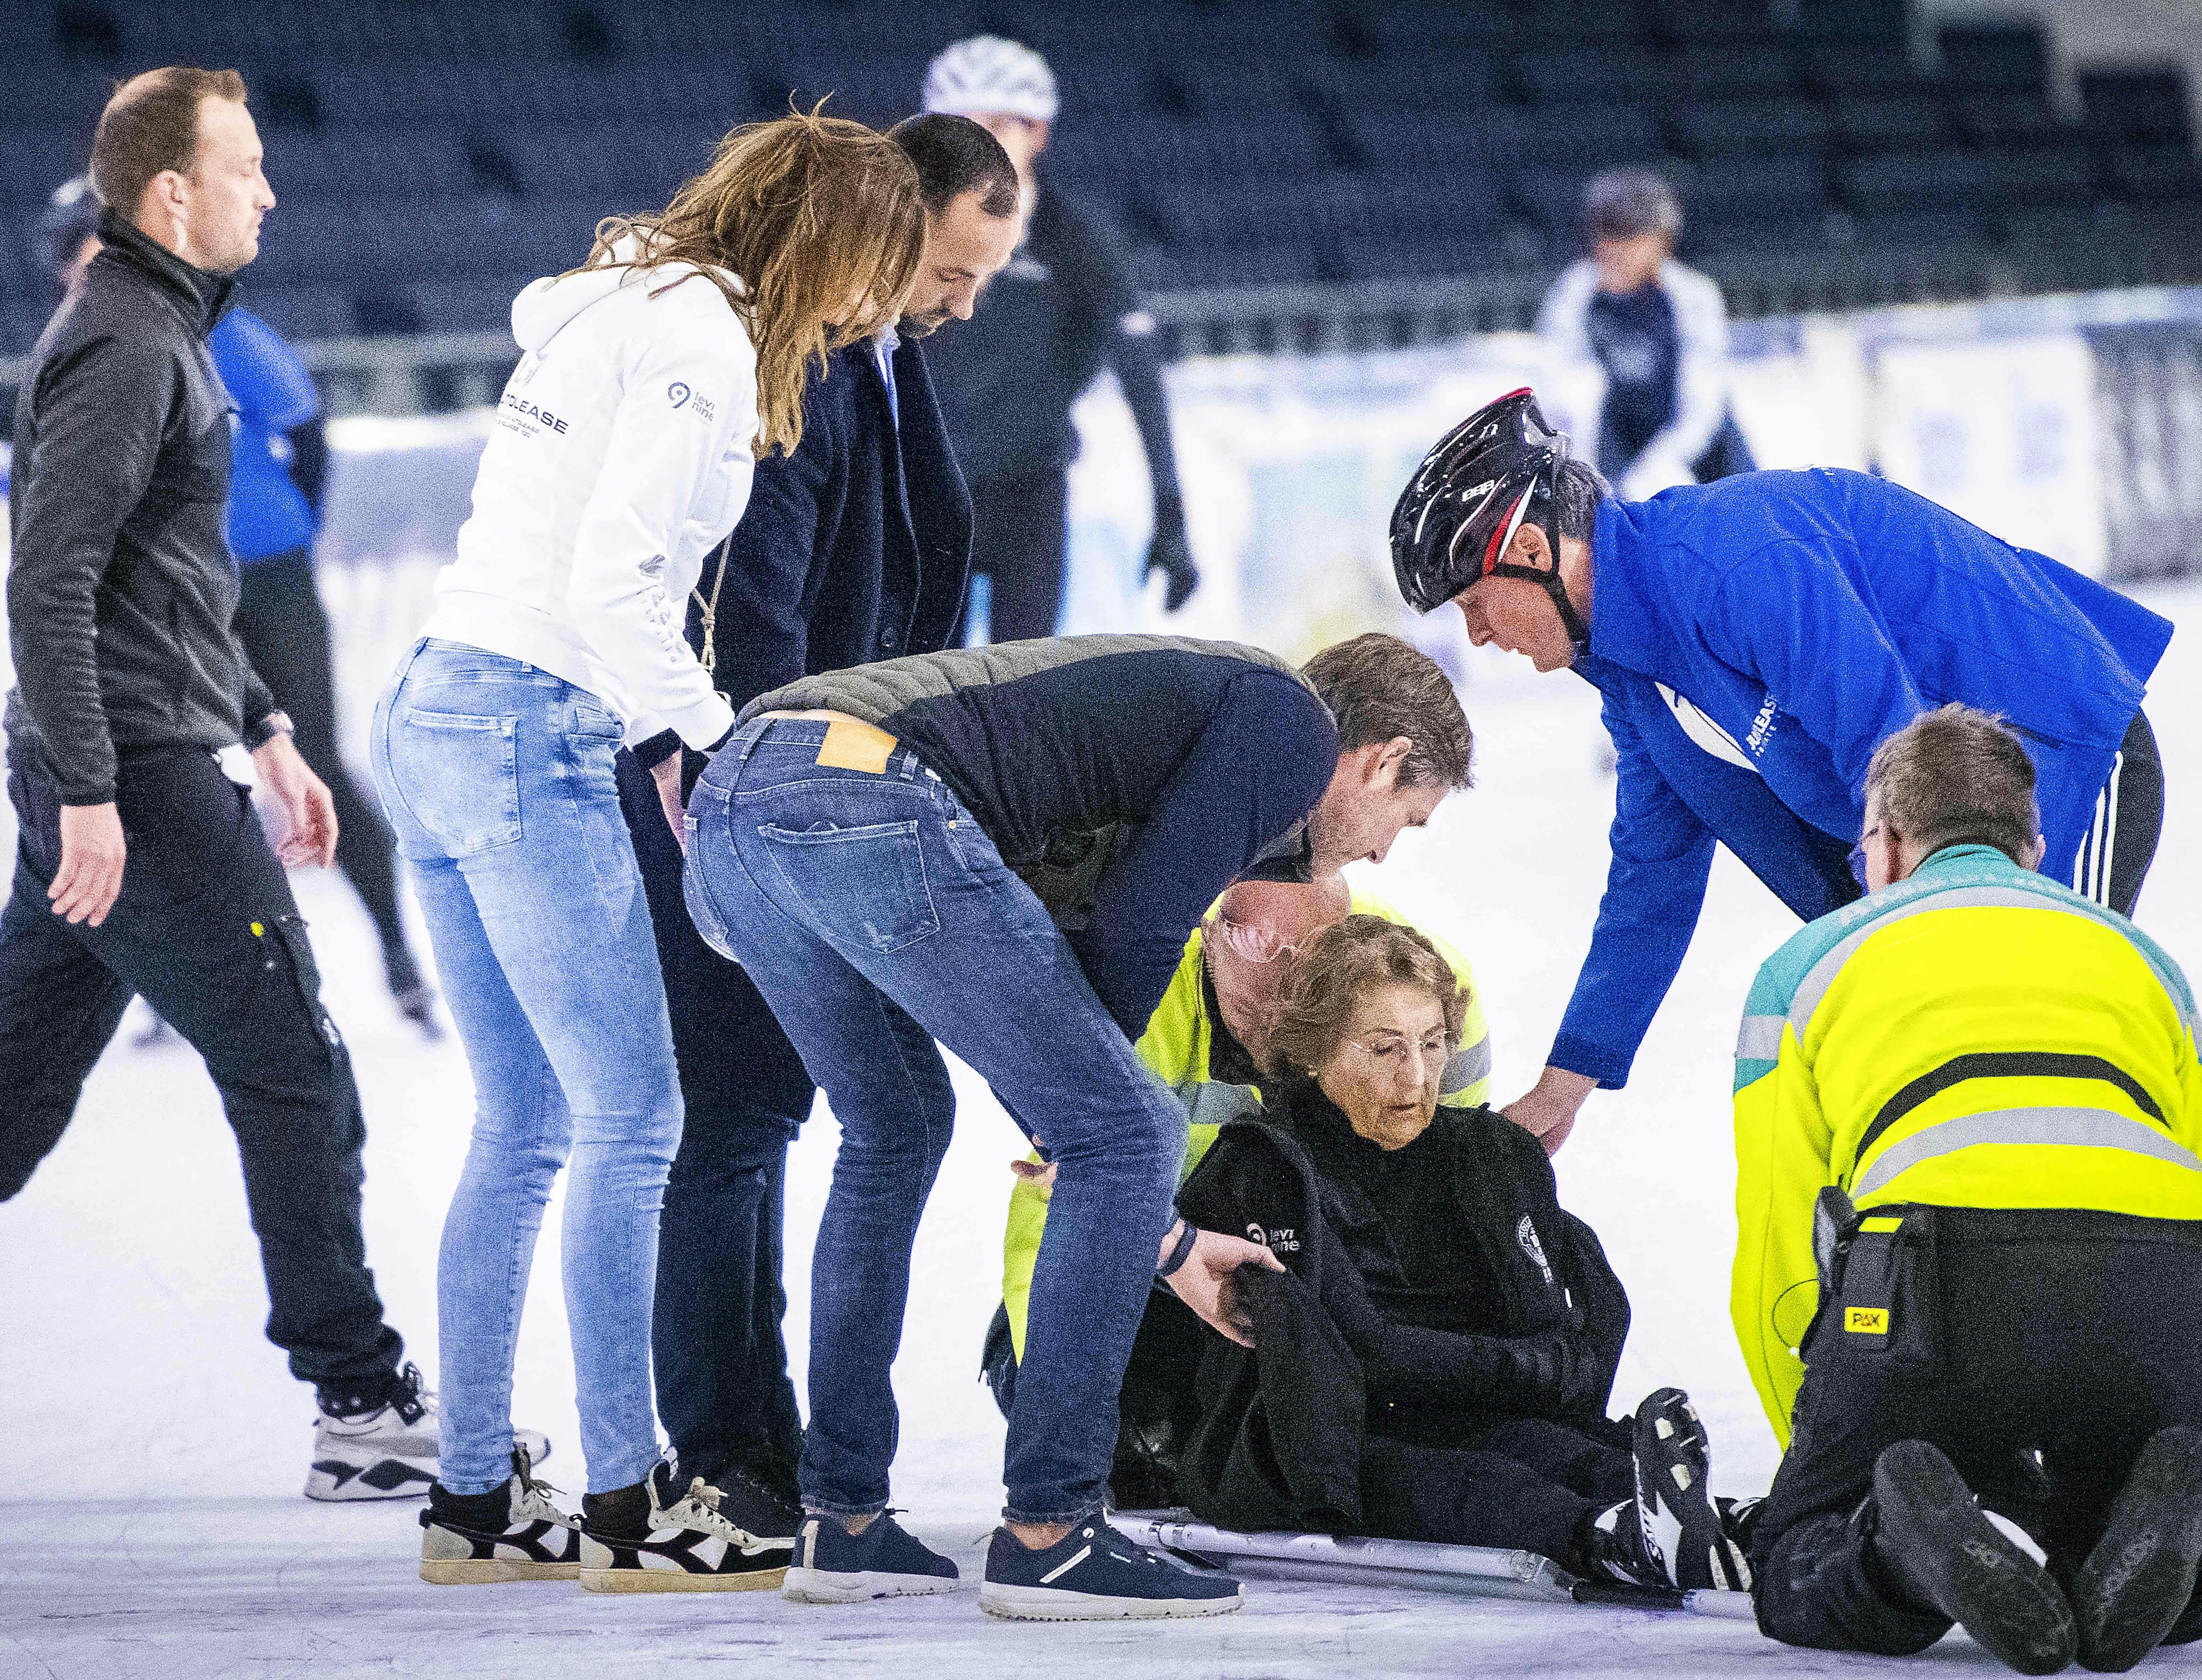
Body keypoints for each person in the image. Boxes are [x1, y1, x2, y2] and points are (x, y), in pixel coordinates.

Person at [380, 112, 928, 1592]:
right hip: (528, 725)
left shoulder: (614, 297)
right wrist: (706, 742)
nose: (878, 305)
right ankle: (631, 1506)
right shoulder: (704, 342)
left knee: (524, 1128)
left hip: (430, 705)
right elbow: (619, 589)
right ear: (823, 242)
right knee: (634, 1122)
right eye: (877, 265)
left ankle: (481, 1495)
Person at [682, 629, 1471, 1619]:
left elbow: (1078, 935)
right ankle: (1051, 1528)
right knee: (1131, 1127)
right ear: (1382, 757)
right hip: (859, 795)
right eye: (1405, 815)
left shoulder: (1169, 747)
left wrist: (1151, 1220)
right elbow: (1139, 926)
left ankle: (839, 1520)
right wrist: (1089, 1130)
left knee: (896, 1123)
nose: (1382, 849)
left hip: (734, 811)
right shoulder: (1290, 728)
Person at [2, 66, 473, 1504]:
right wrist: (90, 788)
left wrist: (264, 720)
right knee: (292, 1058)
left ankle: (356, 1388)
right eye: (245, 165)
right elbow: (51, 580)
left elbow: (168, 578)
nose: (270, 189)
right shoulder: (125, 346)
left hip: (148, 753)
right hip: (129, 780)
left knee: (12, 1092)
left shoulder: (174, 332)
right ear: (171, 195)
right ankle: (361, 1397)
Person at [1388, 389, 2175, 1156]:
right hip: (1925, 828)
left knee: (2048, 1056)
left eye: (1474, 604)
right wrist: (1565, 1085)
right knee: (1970, 1077)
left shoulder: (1731, 562)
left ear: (1532, 551)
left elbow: (1899, 752)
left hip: (2056, 764)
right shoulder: (1628, 670)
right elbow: (1652, 876)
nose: (1480, 636)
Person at [630, 111, 1019, 1542]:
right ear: (891, 229)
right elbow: (750, 620)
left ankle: (765, 1446)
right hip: (741, 781)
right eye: (953, 271)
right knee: (731, 1115)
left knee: (768, 1110)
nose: (965, 305)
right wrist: (774, 793)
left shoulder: (880, 359)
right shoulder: (788, 366)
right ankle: (731, 1454)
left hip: (814, 772)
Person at [1732, 706, 2202, 1674]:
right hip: (2172, 1296)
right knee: (2106, 1512)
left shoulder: (1803, 966)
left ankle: (1897, 1556)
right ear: (2033, 847)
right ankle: (2193, 1543)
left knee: (1794, 1562)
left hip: (1942, 1291)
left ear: (1882, 845)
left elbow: (1777, 1239)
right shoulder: (2143, 960)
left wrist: (1826, 1465)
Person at [1168, 916, 1749, 1594]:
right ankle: (1616, 1544)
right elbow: (1362, 1356)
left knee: (1570, 1456)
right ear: (1312, 1053)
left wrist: (1538, 1368)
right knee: (1481, 1480)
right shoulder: (1260, 1170)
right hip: (1322, 1440)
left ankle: (1745, 1526)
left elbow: (1556, 1324)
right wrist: (1532, 1367)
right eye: (1384, 1050)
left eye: (1433, 1044)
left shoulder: (1487, 1155)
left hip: (1476, 1412)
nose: (1416, 1078)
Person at [37, 176, 435, 1032]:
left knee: (312, 758)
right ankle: (169, 979)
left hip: (264, 577)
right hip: (167, 593)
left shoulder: (214, 328)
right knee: (166, 776)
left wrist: (290, 531)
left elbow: (309, 430)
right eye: (88, 263)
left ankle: (399, 952)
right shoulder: (76, 355)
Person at [983, 871, 1496, 1508]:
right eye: (1253, 1007)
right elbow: (1055, 1224)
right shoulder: (1132, 1010)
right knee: (1160, 1451)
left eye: (1302, 1009)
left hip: (1329, 1289)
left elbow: (1457, 1197)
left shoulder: (1431, 993)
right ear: (1208, 932)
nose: (1271, 1031)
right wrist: (1057, 1415)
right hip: (1163, 1289)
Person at [918, 35, 1201, 641]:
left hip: (1030, 498)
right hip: (926, 493)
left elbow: (1141, 374)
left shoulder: (1077, 242)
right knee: (912, 692)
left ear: (1038, 133)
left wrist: (1171, 513)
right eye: (958, 127)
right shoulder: (897, 234)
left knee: (1021, 697)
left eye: (996, 125)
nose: (976, 145)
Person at [1537, 167, 1756, 496]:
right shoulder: (1572, 297)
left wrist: (1664, 463)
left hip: (1689, 433)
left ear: (1663, 241)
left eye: (1629, 238)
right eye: (1605, 238)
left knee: (1744, 497)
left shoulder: (1694, 297)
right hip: (1614, 434)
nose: (1614, 251)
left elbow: (1702, 401)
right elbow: (1569, 400)